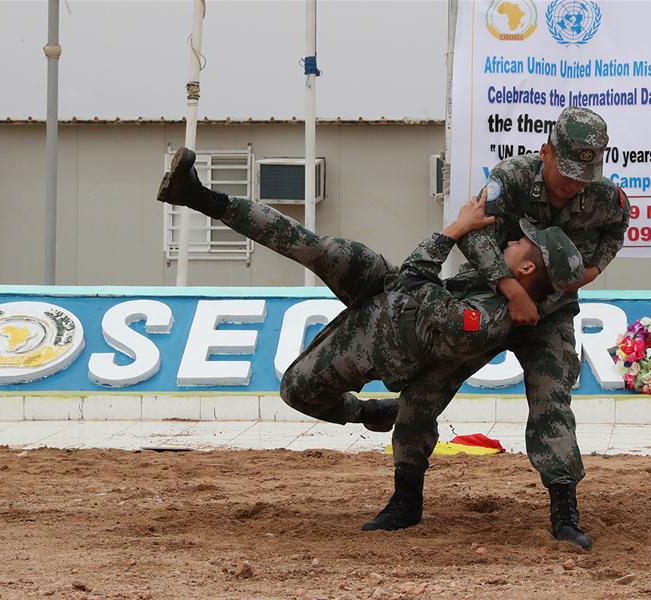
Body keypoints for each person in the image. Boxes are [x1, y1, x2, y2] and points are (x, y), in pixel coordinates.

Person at [156, 147, 583, 436]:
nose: (509, 240)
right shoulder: (503, 280)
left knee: (297, 390)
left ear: (528, 266)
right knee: (319, 248)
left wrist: (455, 227)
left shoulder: (484, 322)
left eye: (520, 243)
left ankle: (364, 413)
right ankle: (197, 196)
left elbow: (418, 275)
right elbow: (430, 271)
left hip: (382, 342)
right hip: (385, 286)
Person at [371, 107, 630, 549]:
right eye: (567, 173)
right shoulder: (510, 177)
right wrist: (513, 291)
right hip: (488, 299)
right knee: (426, 388)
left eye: (584, 175)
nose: (574, 185)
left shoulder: (606, 197)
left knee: (553, 402)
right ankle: (405, 498)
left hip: (550, 316)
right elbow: (475, 234)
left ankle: (564, 511)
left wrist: (588, 273)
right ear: (546, 151)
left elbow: (615, 232)